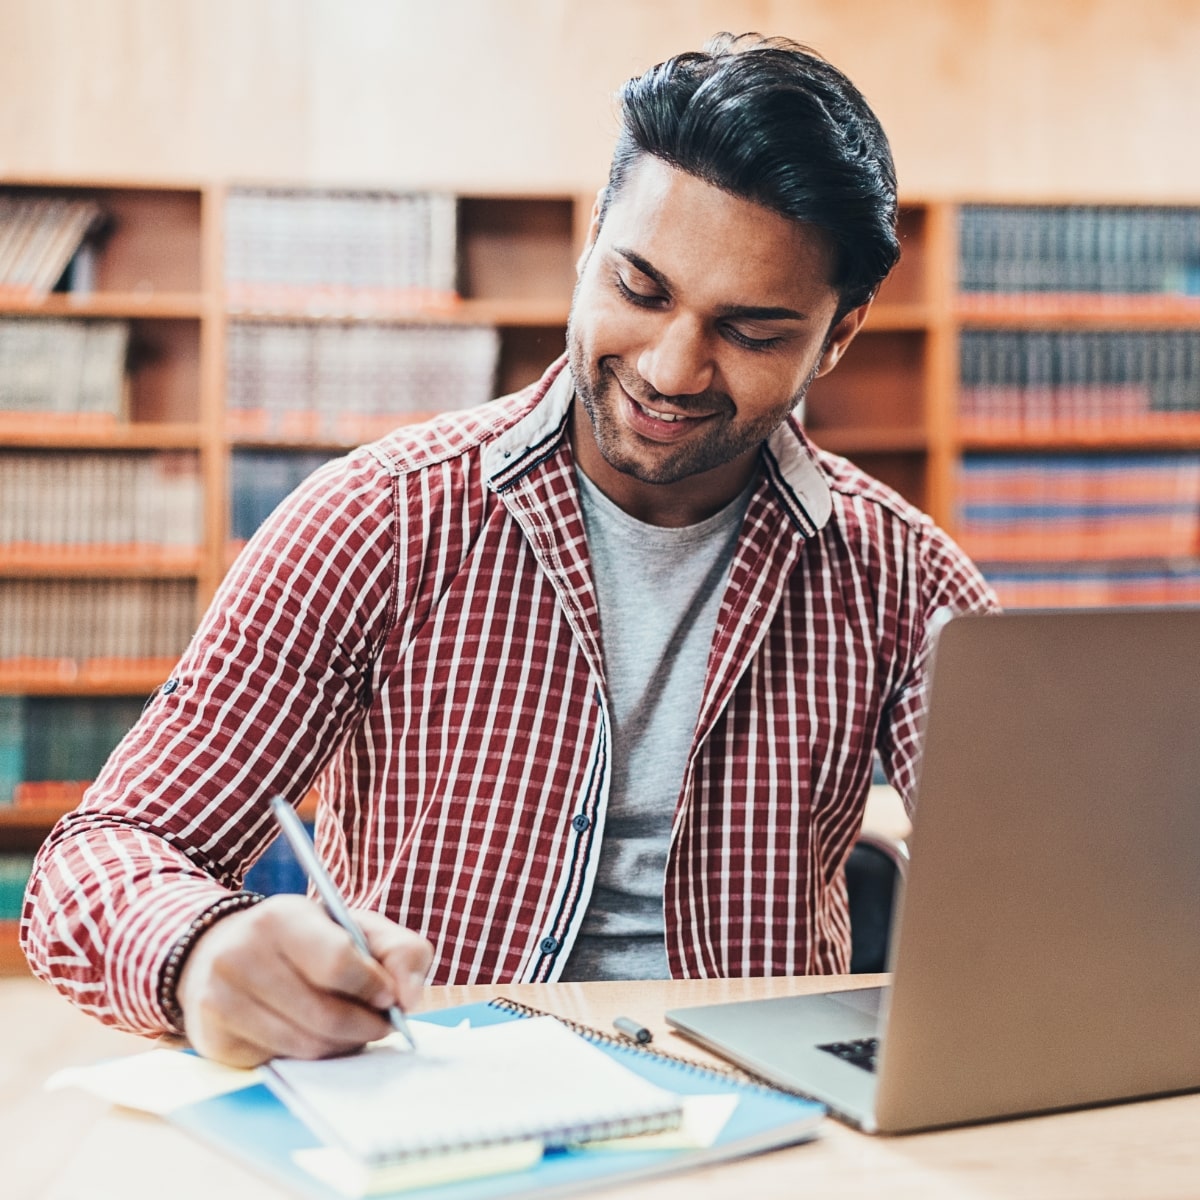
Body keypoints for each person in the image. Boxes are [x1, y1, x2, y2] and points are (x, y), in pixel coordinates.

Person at [22, 32, 997, 1067]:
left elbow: (1054, 889)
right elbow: (103, 855)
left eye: (752, 332)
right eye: (641, 287)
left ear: (836, 339)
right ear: (590, 247)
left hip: (778, 1125)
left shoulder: (906, 581)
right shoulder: (377, 518)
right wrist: (200, 951)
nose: (672, 368)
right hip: (434, 1110)